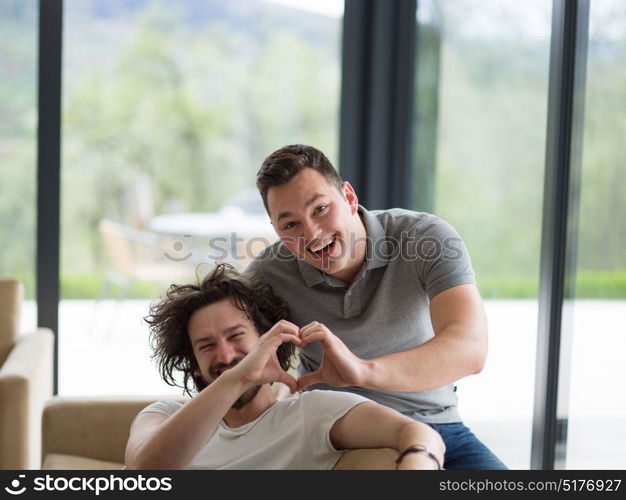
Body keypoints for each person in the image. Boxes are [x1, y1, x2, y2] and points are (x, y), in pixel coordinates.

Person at [245, 144, 506, 470]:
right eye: (290, 225)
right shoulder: (268, 274)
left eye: (321, 209)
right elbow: (225, 350)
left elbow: (470, 349)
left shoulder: (426, 238)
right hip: (334, 432)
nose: (311, 233)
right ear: (277, 232)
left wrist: (363, 371)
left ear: (349, 198)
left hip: (437, 426)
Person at [125, 264, 444, 470]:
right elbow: (142, 474)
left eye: (236, 336)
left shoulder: (310, 414)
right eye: (206, 346)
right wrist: (237, 378)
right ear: (193, 365)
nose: (225, 355)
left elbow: (415, 432)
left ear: (268, 341)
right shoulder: (163, 415)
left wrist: (418, 467)